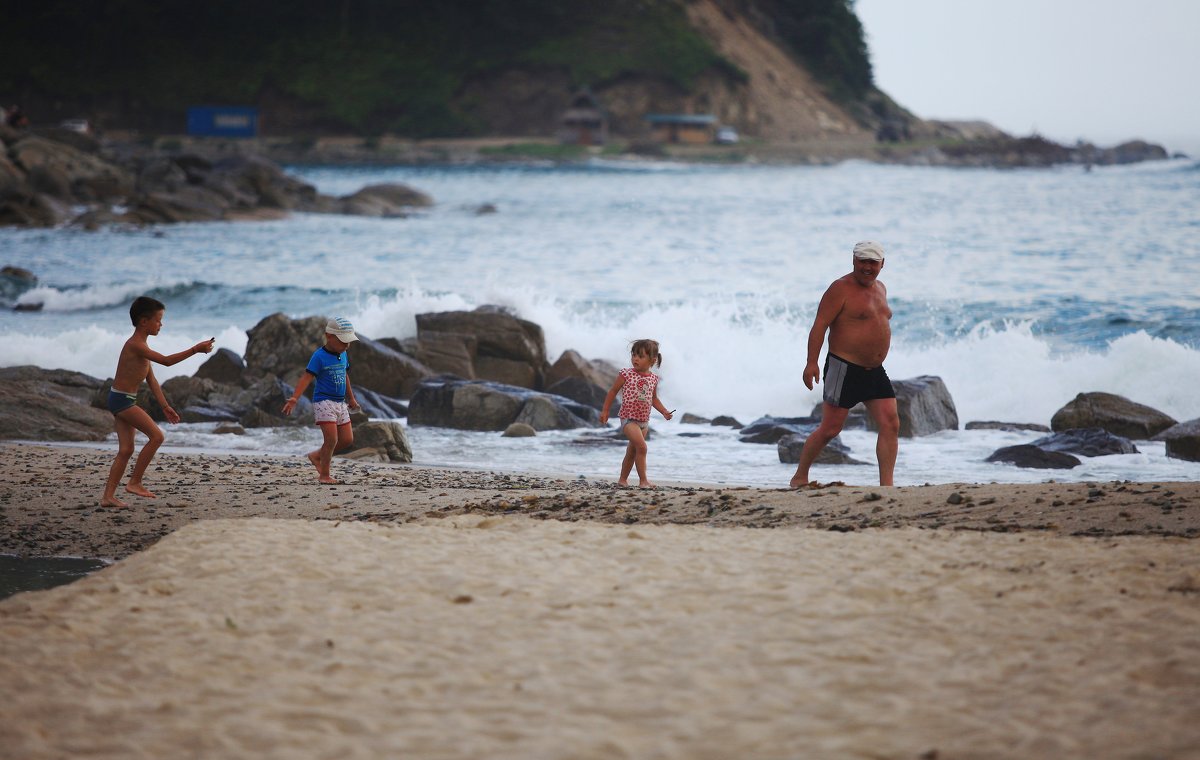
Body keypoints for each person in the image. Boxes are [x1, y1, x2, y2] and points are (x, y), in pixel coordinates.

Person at [790, 240, 900, 488]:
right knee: (830, 429)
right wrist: (811, 363)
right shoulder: (840, 289)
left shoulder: (881, 288)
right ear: (853, 260)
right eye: (863, 261)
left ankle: (887, 486)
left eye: (873, 262)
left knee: (891, 423)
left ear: (883, 264)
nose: (867, 267)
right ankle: (799, 477)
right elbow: (819, 325)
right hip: (844, 368)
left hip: (874, 371)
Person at [101, 297, 215, 507]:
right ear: (144, 321)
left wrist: (165, 406)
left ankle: (108, 497)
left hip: (120, 398)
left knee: (126, 450)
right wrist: (194, 350)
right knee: (156, 436)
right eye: (158, 320)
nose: (161, 325)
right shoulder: (136, 345)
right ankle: (134, 482)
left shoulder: (142, 346)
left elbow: (151, 380)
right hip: (122, 401)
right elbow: (166, 361)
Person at [281, 317, 361, 484]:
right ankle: (324, 475)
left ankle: (317, 455)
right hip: (324, 402)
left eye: (349, 342)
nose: (346, 345)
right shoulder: (319, 356)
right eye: (343, 341)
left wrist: (351, 398)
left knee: (347, 440)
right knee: (331, 440)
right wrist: (295, 398)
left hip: (340, 402)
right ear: (328, 336)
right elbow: (306, 377)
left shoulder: (343, 354)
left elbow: (345, 375)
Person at [599, 339, 674, 487]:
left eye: (640, 356)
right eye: (633, 355)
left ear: (652, 360)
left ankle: (622, 480)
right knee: (642, 448)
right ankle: (643, 481)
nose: (635, 359)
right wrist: (605, 410)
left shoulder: (653, 379)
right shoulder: (626, 374)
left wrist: (664, 411)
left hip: (644, 421)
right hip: (628, 419)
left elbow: (654, 399)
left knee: (632, 451)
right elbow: (613, 391)